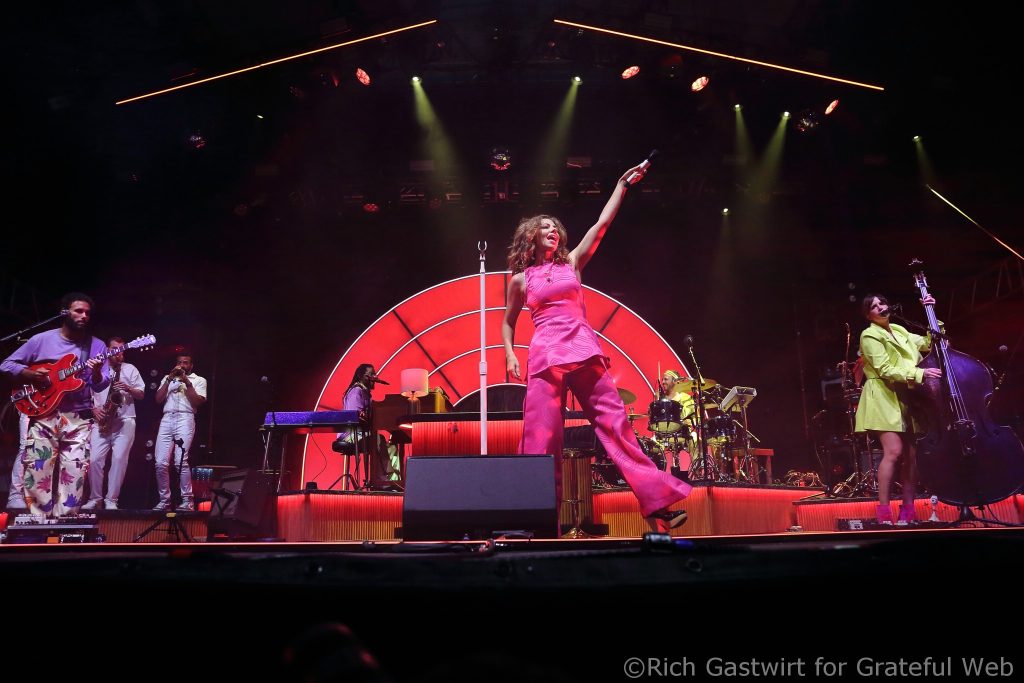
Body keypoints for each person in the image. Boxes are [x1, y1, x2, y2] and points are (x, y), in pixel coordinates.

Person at [501, 164, 691, 530]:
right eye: (545, 227)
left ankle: (656, 503)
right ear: (530, 236)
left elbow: (601, 225)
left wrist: (621, 185)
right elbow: (508, 321)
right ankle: (535, 516)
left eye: (556, 227)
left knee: (617, 427)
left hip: (583, 349)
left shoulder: (572, 263)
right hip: (545, 357)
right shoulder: (521, 280)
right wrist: (509, 352)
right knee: (540, 437)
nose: (553, 231)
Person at [0, 293, 109, 519]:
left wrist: (97, 372)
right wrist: (30, 374)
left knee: (75, 469)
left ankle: (66, 520)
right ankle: (38, 521)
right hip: (44, 413)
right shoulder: (41, 340)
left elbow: (100, 385)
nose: (84, 316)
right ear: (64, 312)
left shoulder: (97, 346)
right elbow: (6, 364)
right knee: (38, 468)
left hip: (78, 415)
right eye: (78, 311)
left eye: (87, 313)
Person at [854, 293, 940, 525]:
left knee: (911, 456)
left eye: (882, 302)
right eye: (874, 306)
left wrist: (931, 312)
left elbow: (930, 342)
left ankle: (908, 513)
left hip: (907, 395)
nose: (881, 307)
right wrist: (919, 373)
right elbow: (884, 368)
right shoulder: (869, 335)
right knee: (894, 451)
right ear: (868, 315)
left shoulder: (900, 330)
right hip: (884, 395)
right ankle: (884, 514)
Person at [82, 337, 145, 510]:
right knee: (94, 460)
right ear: (107, 351)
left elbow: (141, 394)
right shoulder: (97, 368)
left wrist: (128, 388)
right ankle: (95, 498)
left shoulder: (130, 369)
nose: (119, 353)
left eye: (122, 350)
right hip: (101, 420)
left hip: (125, 420)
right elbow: (86, 394)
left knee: (118, 460)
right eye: (115, 349)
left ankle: (111, 500)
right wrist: (93, 409)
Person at [153, 352, 207, 511]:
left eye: (185, 362)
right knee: (160, 463)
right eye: (179, 362)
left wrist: (187, 383)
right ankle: (165, 500)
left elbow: (197, 402)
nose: (182, 365)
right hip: (167, 418)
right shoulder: (167, 378)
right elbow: (158, 399)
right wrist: (168, 380)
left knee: (180, 461)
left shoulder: (199, 380)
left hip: (185, 418)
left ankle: (187, 500)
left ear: (191, 365)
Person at [335, 364, 398, 490]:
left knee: (391, 447)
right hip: (349, 434)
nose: (375, 377)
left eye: (375, 374)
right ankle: (381, 482)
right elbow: (355, 416)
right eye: (372, 374)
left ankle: (393, 481)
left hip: (360, 433)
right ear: (362, 376)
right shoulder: (356, 391)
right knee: (378, 439)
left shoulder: (365, 392)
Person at [654, 369, 697, 473]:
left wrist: (688, 422)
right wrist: (656, 403)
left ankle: (697, 472)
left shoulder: (685, 397)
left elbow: (693, 418)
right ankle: (656, 475)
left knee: (695, 438)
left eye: (666, 379)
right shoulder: (660, 399)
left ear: (675, 381)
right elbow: (655, 421)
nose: (663, 382)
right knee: (650, 445)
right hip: (664, 435)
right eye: (662, 379)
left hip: (683, 433)